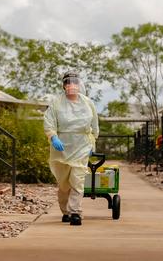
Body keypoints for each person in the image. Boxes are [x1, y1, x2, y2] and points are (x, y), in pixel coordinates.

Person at [44, 72, 99, 226]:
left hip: (81, 144)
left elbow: (94, 124)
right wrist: (53, 136)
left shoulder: (88, 103)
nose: (72, 85)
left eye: (75, 82)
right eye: (68, 83)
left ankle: (75, 212)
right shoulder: (56, 103)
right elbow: (49, 122)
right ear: (64, 85)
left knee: (77, 179)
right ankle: (66, 211)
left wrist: (92, 142)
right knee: (63, 182)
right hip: (61, 147)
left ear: (79, 84)